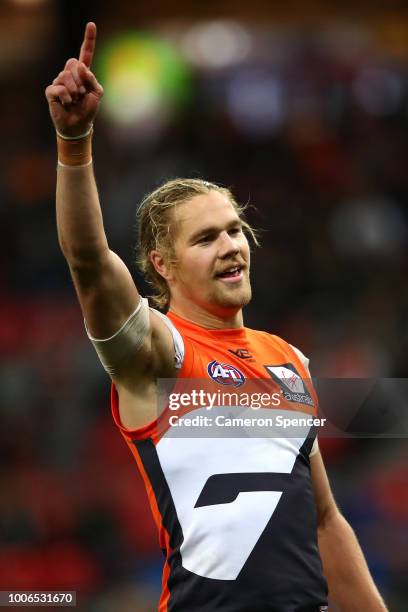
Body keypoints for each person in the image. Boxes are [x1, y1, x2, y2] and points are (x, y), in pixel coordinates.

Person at [45, 22, 388, 612]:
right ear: (163, 264)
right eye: (206, 238)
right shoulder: (160, 354)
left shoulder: (288, 361)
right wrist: (75, 146)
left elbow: (327, 523)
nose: (230, 244)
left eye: (234, 230)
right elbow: (88, 263)